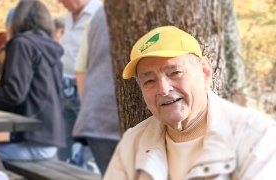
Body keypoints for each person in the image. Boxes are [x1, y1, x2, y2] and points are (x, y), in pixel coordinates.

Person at [104, 26, 276, 179]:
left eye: (175, 73)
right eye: (149, 81)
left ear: (205, 72)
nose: (163, 89)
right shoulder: (133, 143)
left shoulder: (256, 136)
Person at [0, 0, 65, 160]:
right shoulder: (50, 46)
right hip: (50, 143)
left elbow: (13, 94)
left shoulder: (22, 44)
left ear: (16, 20)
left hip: (32, 142)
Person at [73, 5, 120, 175]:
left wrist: (90, 104)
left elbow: (80, 69)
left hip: (96, 116)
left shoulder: (100, 12)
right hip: (124, 121)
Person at [57, 0, 102, 166]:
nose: (59, 2)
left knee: (89, 141)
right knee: (64, 138)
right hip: (64, 83)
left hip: (85, 86)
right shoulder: (69, 15)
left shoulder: (98, 13)